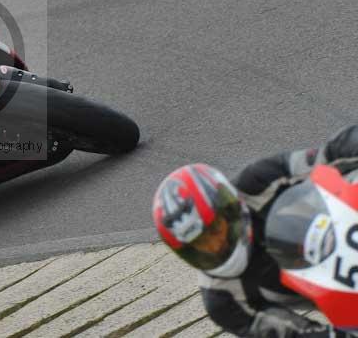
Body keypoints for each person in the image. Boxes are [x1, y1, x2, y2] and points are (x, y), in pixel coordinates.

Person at [152, 125, 358, 338]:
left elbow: (331, 153)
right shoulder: (223, 299)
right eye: (200, 246)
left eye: (215, 230)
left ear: (229, 208)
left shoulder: (259, 181)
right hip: (344, 299)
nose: (216, 246)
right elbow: (296, 335)